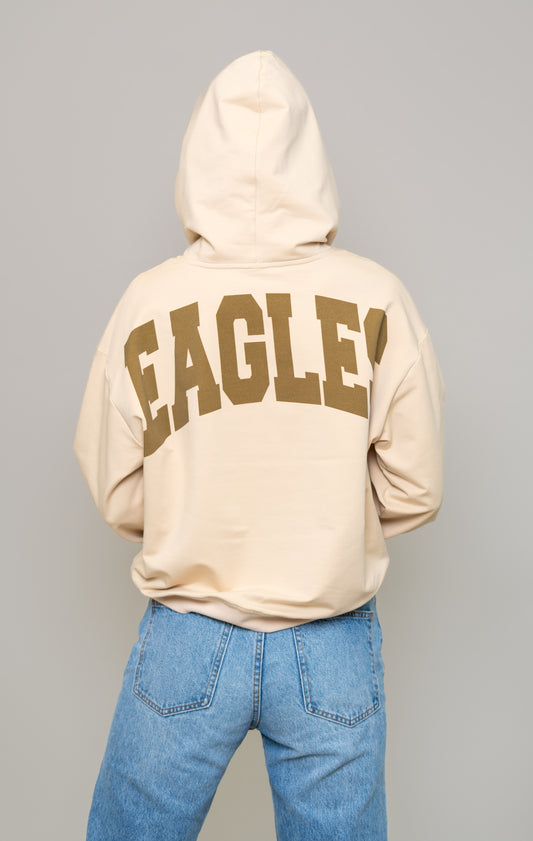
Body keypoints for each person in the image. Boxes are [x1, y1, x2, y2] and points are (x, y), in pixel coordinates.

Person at [73, 48, 446, 841]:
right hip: (328, 634)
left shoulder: (149, 301)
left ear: (195, 159)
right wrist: (326, 522)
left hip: (187, 628)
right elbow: (416, 486)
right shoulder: (376, 297)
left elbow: (115, 487)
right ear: (310, 159)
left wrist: (194, 515)